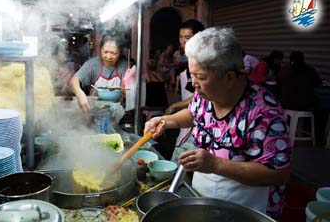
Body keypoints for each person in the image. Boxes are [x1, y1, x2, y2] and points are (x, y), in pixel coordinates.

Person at [144, 27, 291, 219]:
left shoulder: (265, 112)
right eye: (192, 75)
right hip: (203, 197)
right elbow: (194, 113)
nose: (194, 84)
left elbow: (278, 174)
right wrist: (165, 121)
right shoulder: (207, 93)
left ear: (229, 77)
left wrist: (216, 165)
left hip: (245, 208)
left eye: (201, 77)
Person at [165, 19, 205, 162]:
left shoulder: (203, 63)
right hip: (188, 117)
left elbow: (200, 96)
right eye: (181, 37)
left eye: (187, 37)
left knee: (182, 161)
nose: (182, 41)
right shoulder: (187, 61)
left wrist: (175, 106)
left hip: (199, 123)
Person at [70, 31, 127, 112]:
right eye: (105, 52)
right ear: (100, 49)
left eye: (114, 53)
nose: (109, 56)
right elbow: (74, 80)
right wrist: (80, 94)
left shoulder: (124, 65)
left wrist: (124, 89)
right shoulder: (93, 64)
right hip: (94, 111)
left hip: (118, 112)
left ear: (120, 52)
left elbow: (130, 89)